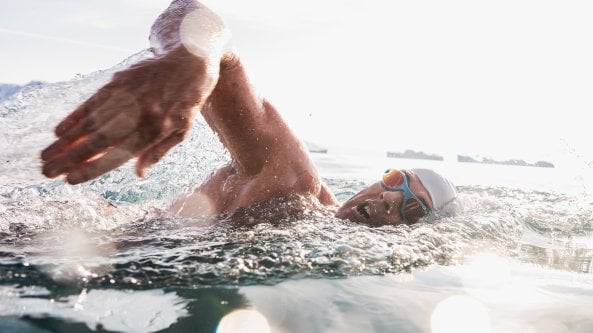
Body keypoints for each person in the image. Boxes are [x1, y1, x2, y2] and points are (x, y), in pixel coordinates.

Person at [40, 0, 457, 226]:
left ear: (413, 232)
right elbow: (187, 12)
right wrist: (192, 59)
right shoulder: (291, 183)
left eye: (411, 207)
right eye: (395, 180)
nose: (388, 197)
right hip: (57, 232)